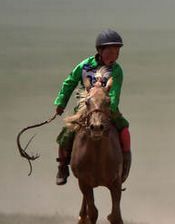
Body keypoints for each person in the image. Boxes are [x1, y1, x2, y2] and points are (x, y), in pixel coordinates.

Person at [53, 29, 131, 186]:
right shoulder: (85, 66)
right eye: (110, 52)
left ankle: (124, 168)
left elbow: (114, 91)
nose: (114, 56)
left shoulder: (116, 70)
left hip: (108, 108)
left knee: (124, 132)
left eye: (117, 52)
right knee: (65, 135)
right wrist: (61, 102)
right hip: (86, 107)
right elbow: (69, 82)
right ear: (100, 51)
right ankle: (62, 166)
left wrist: (109, 107)